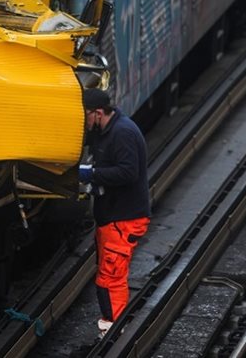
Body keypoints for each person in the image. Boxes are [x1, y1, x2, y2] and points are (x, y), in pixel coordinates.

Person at [78, 87, 151, 339]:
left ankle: (116, 335)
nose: (84, 122)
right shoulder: (104, 131)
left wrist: (92, 174)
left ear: (98, 113)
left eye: (85, 116)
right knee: (107, 275)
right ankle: (112, 328)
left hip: (124, 219)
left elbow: (128, 172)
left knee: (111, 278)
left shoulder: (122, 133)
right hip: (112, 217)